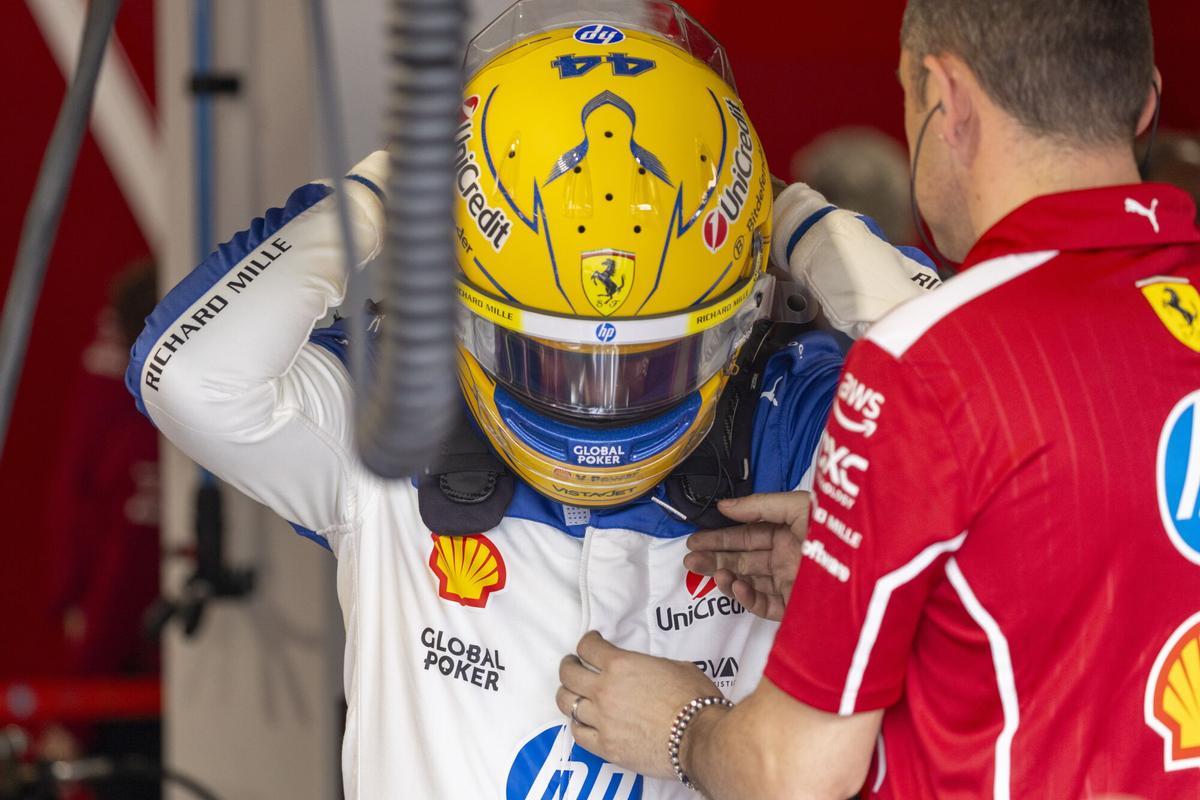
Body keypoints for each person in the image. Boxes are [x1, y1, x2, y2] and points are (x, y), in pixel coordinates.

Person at [123, 2, 933, 796]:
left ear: (739, 316)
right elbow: (186, 374)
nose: (599, 403)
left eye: (649, 364)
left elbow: (969, 406)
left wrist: (787, 217)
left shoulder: (787, 409)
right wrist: (387, 189)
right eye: (549, 358)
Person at [557, 1, 1200, 798]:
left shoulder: (928, 362)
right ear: (1146, 103)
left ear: (946, 99)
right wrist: (873, 564)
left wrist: (682, 724)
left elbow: (794, 774)